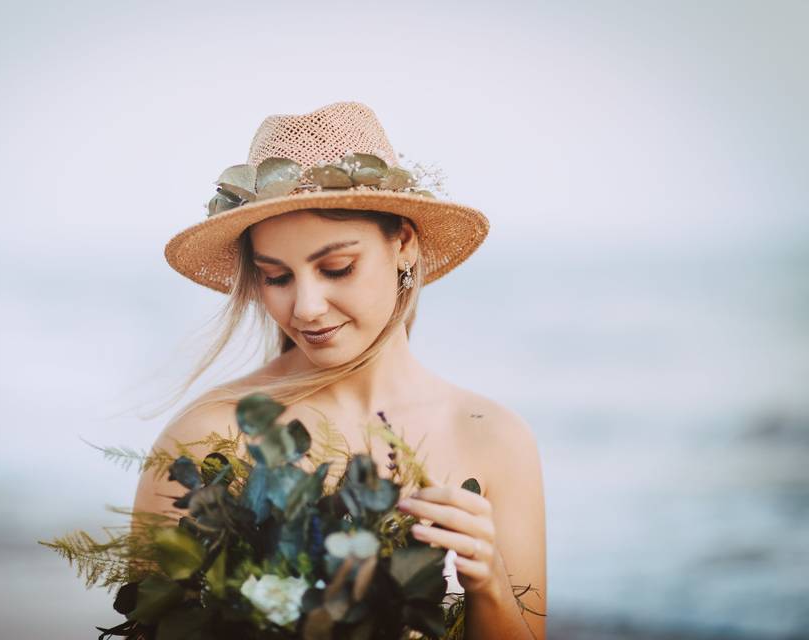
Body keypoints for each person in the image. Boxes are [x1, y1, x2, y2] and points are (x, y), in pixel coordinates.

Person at [131, 101, 547, 640]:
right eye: (277, 277)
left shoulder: (494, 438)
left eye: (336, 268)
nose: (305, 307)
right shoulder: (208, 438)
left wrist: (488, 583)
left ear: (403, 243)